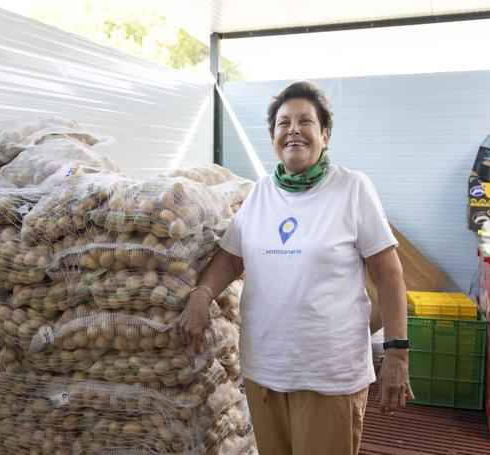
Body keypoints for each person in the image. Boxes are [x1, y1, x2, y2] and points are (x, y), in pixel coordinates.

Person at [176, 80, 413, 455]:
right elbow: (231, 256)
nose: (293, 130)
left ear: (325, 134)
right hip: (265, 371)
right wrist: (202, 295)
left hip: (328, 375)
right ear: (273, 136)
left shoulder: (352, 189)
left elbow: (389, 273)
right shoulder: (261, 194)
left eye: (305, 121)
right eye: (283, 123)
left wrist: (397, 352)